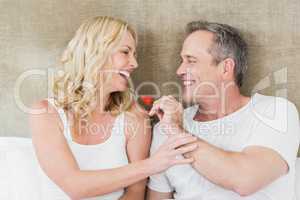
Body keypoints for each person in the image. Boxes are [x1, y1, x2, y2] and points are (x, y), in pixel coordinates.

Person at [29, 16, 198, 200]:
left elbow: (135, 193)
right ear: (95, 52)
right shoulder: (46, 113)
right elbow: (74, 186)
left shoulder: (135, 117)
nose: (134, 63)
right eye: (125, 52)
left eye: (134, 54)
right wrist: (153, 164)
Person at [147, 21, 300, 200]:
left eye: (191, 60)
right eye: (182, 61)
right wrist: (171, 128)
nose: (179, 70)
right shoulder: (164, 128)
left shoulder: (275, 112)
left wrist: (176, 131)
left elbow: (245, 180)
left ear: (226, 68)